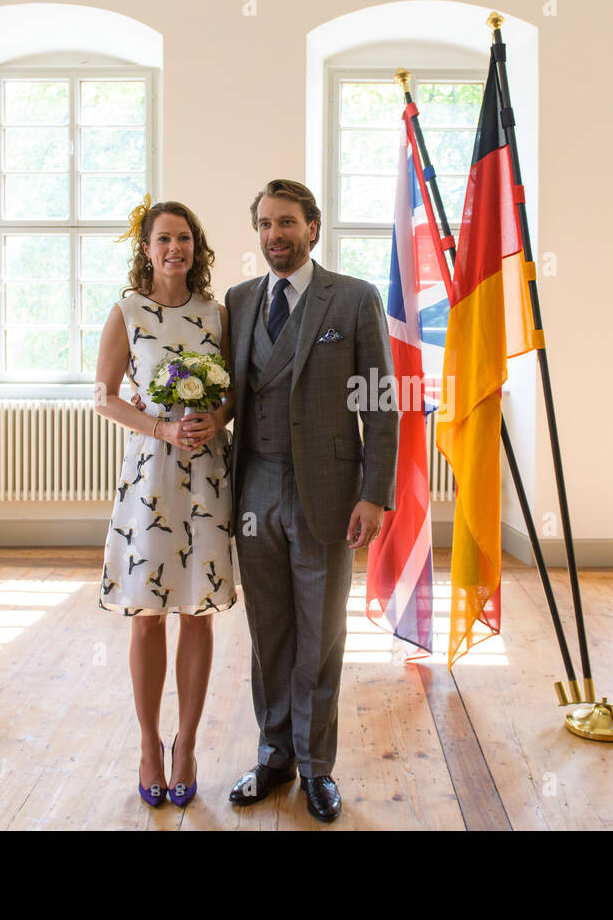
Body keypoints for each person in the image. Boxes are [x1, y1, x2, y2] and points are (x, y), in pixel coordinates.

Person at [222, 179, 399, 822]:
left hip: (326, 491)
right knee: (269, 634)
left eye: (288, 223)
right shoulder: (239, 301)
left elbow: (379, 401)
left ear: (313, 227)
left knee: (320, 635)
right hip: (254, 488)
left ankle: (317, 767)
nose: (276, 235)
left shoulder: (353, 298)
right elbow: (227, 396)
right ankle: (273, 756)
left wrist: (375, 495)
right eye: (266, 224)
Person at [93, 197, 236, 810]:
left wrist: (213, 415)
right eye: (163, 239)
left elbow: (235, 393)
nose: (174, 248)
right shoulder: (126, 312)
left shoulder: (216, 313)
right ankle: (150, 743)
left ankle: (188, 746)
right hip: (151, 474)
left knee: (197, 611)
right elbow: (102, 397)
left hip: (205, 474)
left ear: (196, 248)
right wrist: (162, 430)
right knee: (147, 614)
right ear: (146, 249)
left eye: (184, 239)